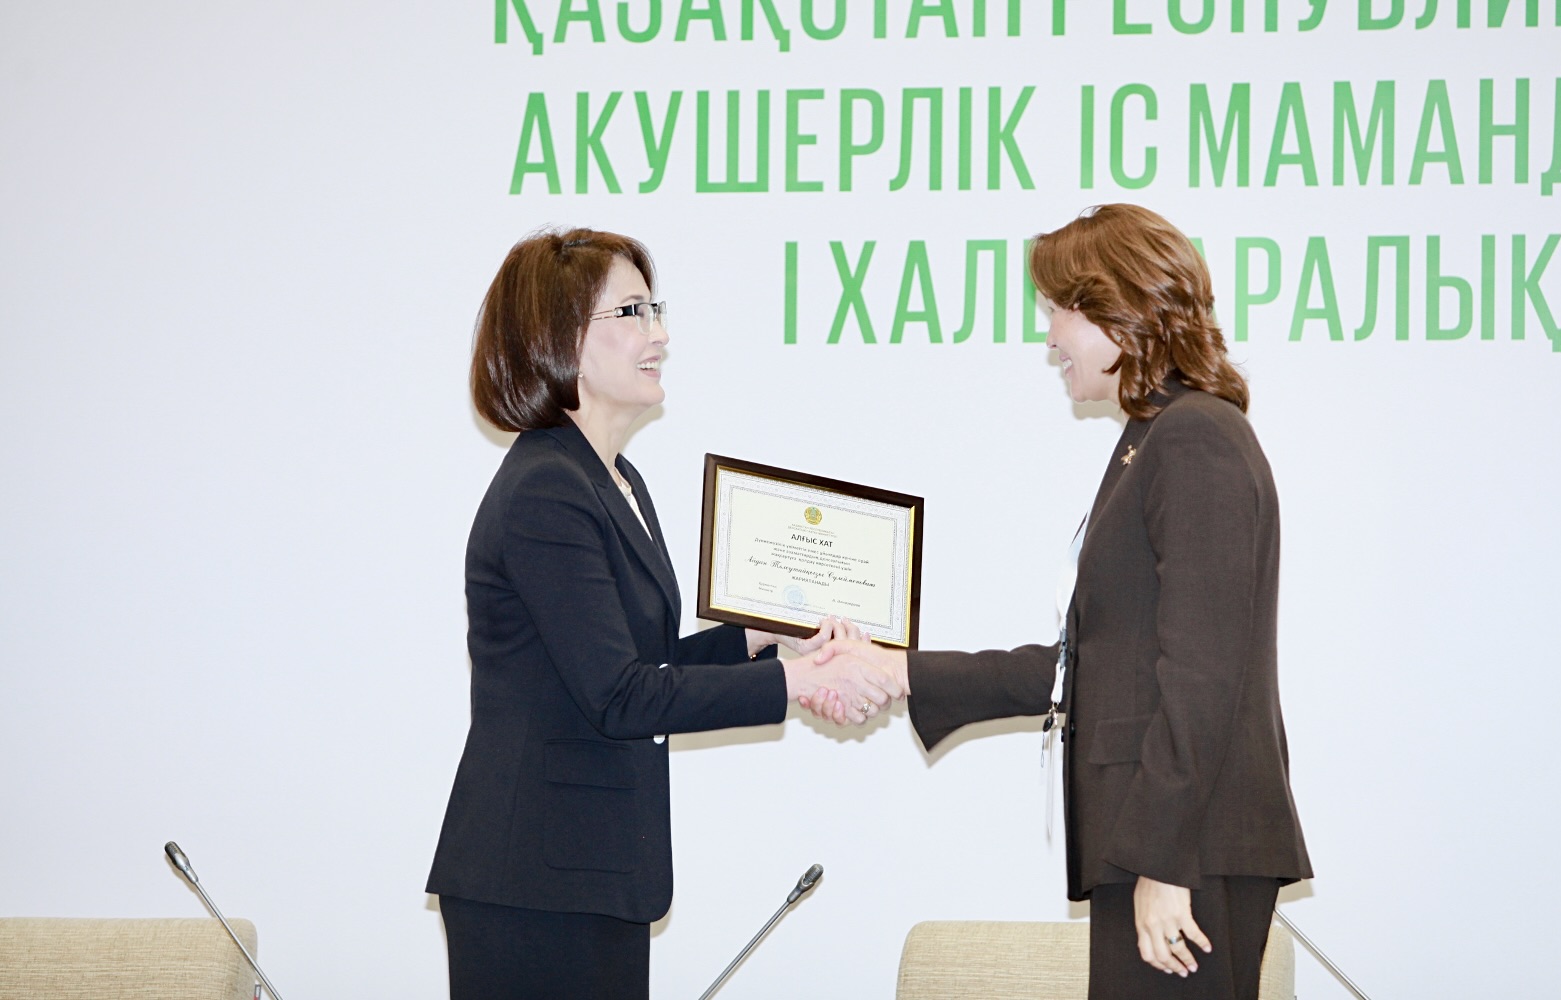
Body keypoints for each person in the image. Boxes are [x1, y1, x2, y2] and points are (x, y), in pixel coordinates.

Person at [808, 205, 1313, 1000]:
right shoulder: (1155, 436)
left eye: (1057, 312)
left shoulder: (1195, 437)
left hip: (1185, 851)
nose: (1049, 340)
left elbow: (1203, 677)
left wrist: (1163, 863)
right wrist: (899, 670)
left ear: (1120, 310)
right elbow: (1098, 665)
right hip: (1165, 842)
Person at [426, 227, 898, 1000]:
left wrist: (759, 637)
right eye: (632, 313)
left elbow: (641, 664)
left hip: (593, 872)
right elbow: (621, 696)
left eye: (656, 310)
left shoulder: (616, 481)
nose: (660, 335)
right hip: (535, 884)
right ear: (563, 341)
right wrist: (801, 683)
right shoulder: (547, 489)